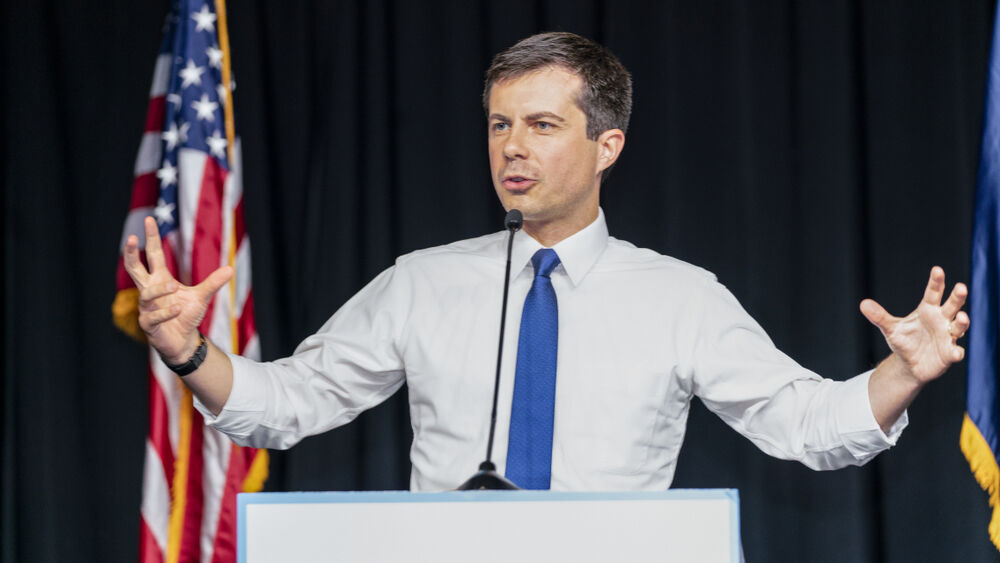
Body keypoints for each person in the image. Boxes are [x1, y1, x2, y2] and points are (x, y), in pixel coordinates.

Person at [123, 32, 970, 491]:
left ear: (609, 145)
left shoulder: (680, 297)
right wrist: (190, 352)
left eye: (541, 125)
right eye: (499, 125)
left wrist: (903, 374)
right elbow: (290, 404)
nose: (512, 148)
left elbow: (806, 425)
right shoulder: (423, 281)